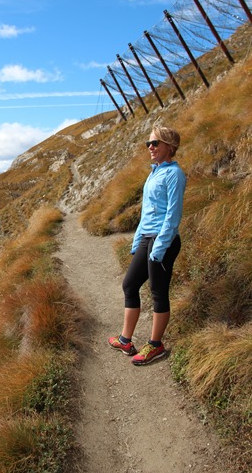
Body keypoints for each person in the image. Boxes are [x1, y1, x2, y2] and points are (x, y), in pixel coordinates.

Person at [108, 123, 186, 366]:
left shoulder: (174, 174)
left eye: (155, 143)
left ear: (169, 147)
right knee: (130, 284)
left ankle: (155, 345)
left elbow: (172, 216)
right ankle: (125, 339)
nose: (150, 147)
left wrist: (159, 248)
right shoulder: (155, 172)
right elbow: (147, 212)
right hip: (147, 239)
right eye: (148, 143)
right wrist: (138, 240)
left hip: (163, 241)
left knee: (157, 292)